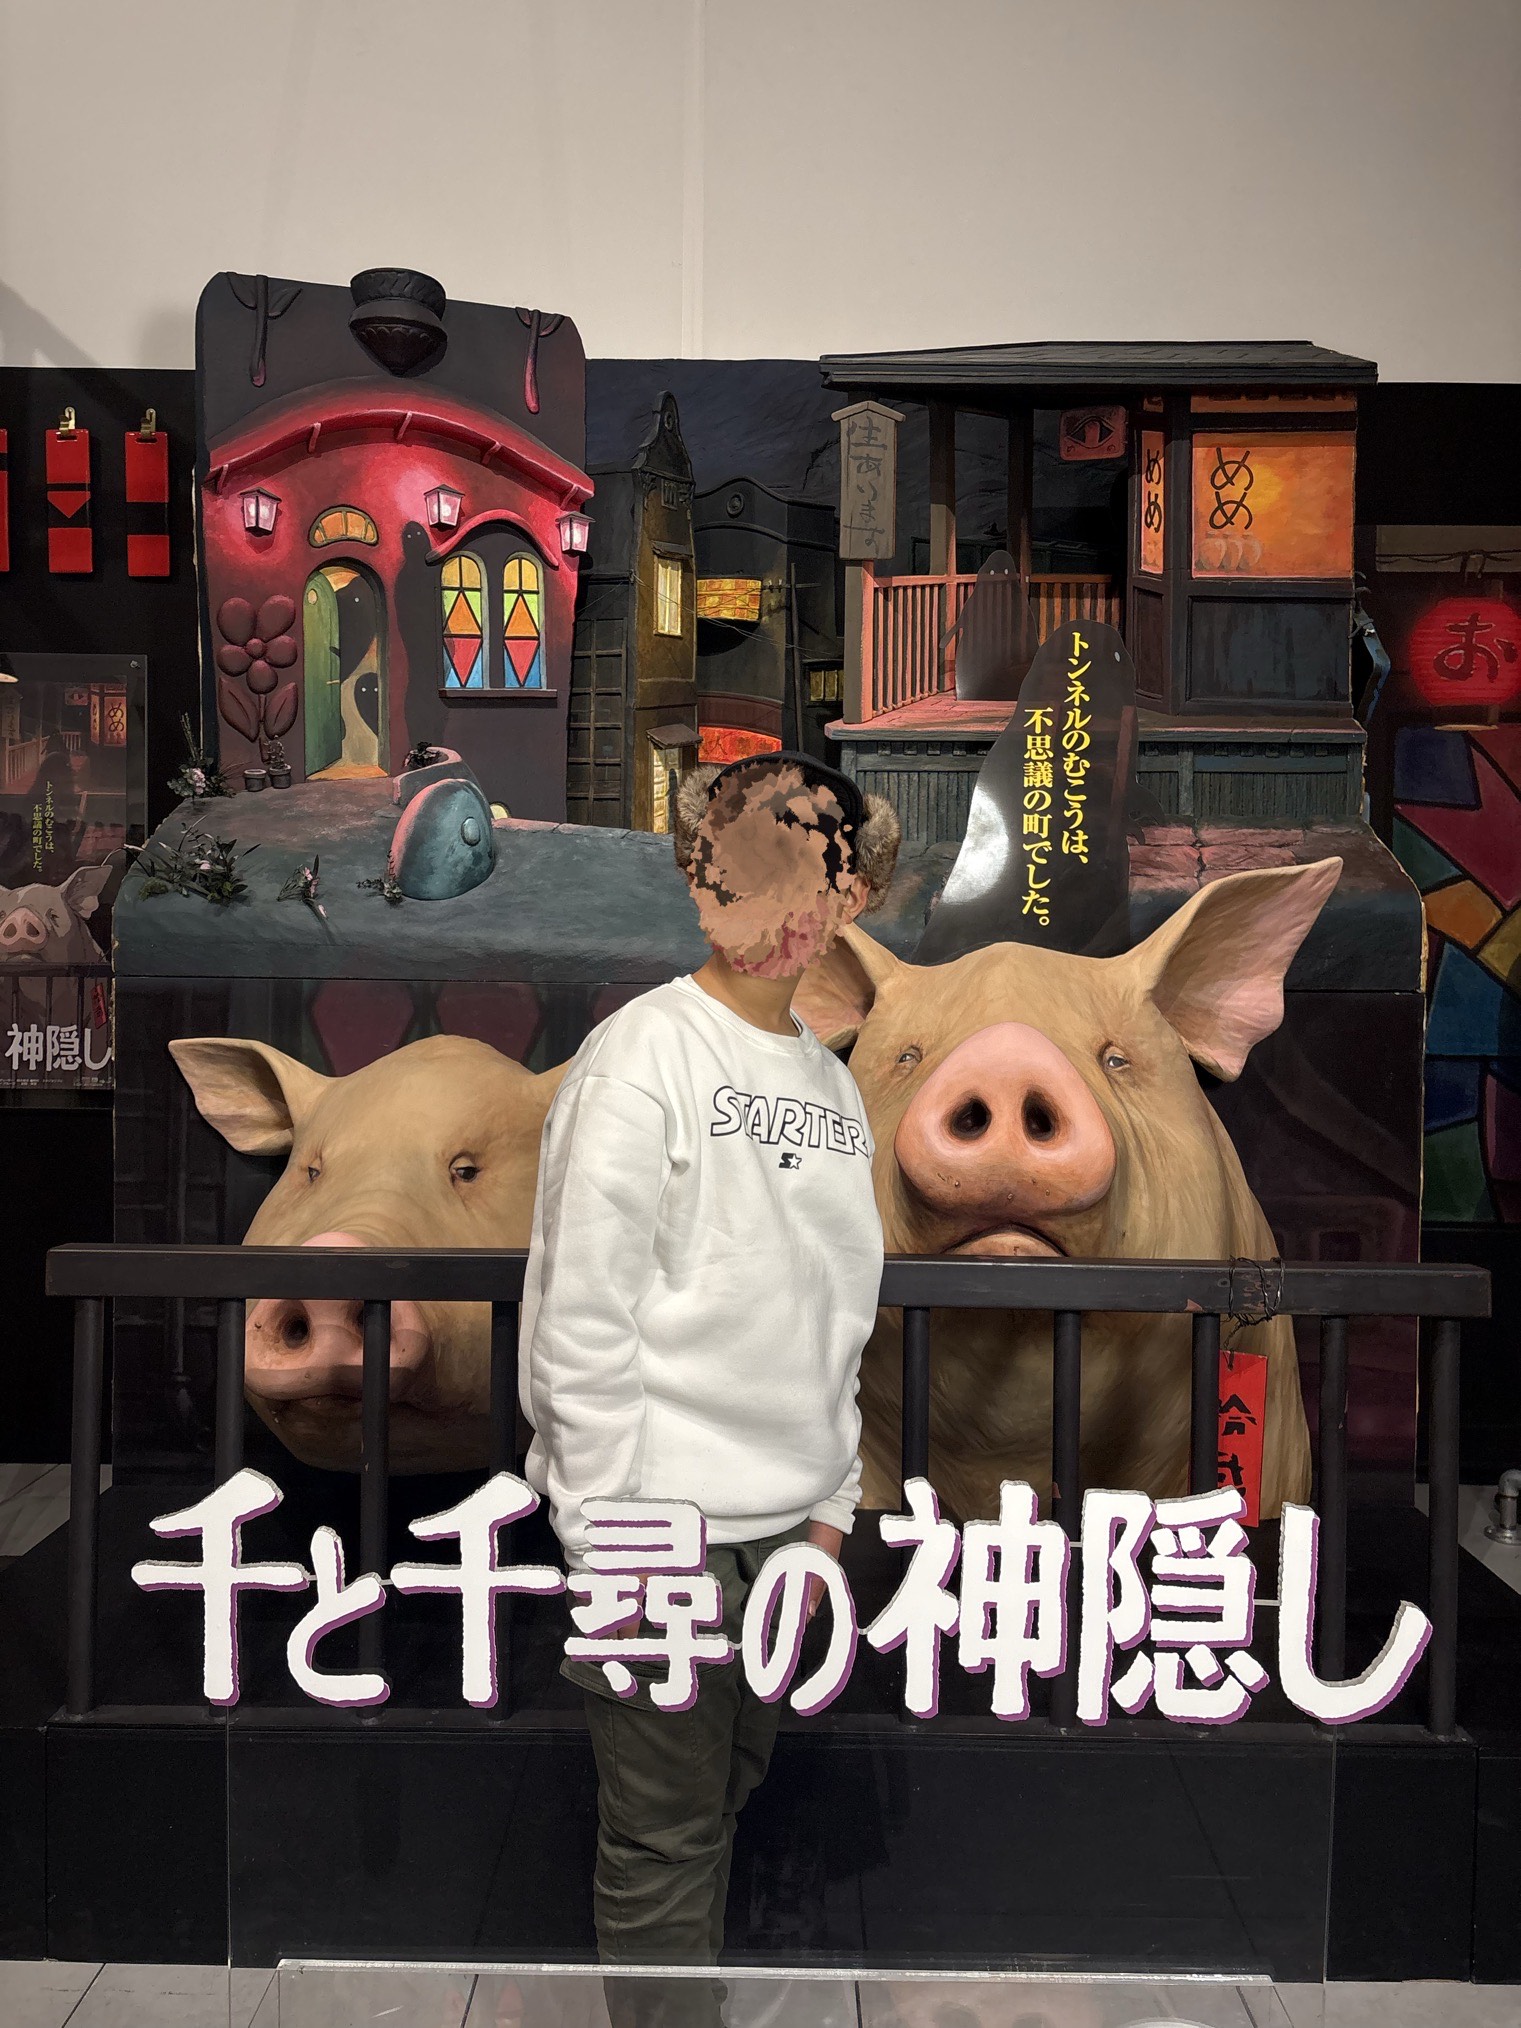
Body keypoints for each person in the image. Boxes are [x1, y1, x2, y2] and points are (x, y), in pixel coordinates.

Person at [519, 750, 901, 1994]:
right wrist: (605, 1542)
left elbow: (841, 1310)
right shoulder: (641, 1055)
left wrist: (831, 1511)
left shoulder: (833, 1086)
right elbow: (581, 1317)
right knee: (664, 1837)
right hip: (660, 1531)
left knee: (725, 1795)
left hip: (788, 1533)